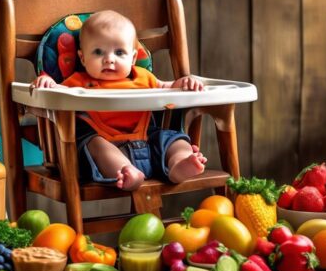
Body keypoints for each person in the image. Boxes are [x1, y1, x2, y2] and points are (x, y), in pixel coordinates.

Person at [31, 10, 206, 191]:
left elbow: (168, 87)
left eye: (119, 52)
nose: (109, 59)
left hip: (146, 137)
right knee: (95, 144)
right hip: (107, 143)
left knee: (174, 139)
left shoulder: (144, 77)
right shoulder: (79, 81)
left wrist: (184, 82)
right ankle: (126, 172)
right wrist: (48, 83)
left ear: (133, 58)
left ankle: (180, 163)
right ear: (82, 58)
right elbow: (59, 92)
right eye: (98, 52)